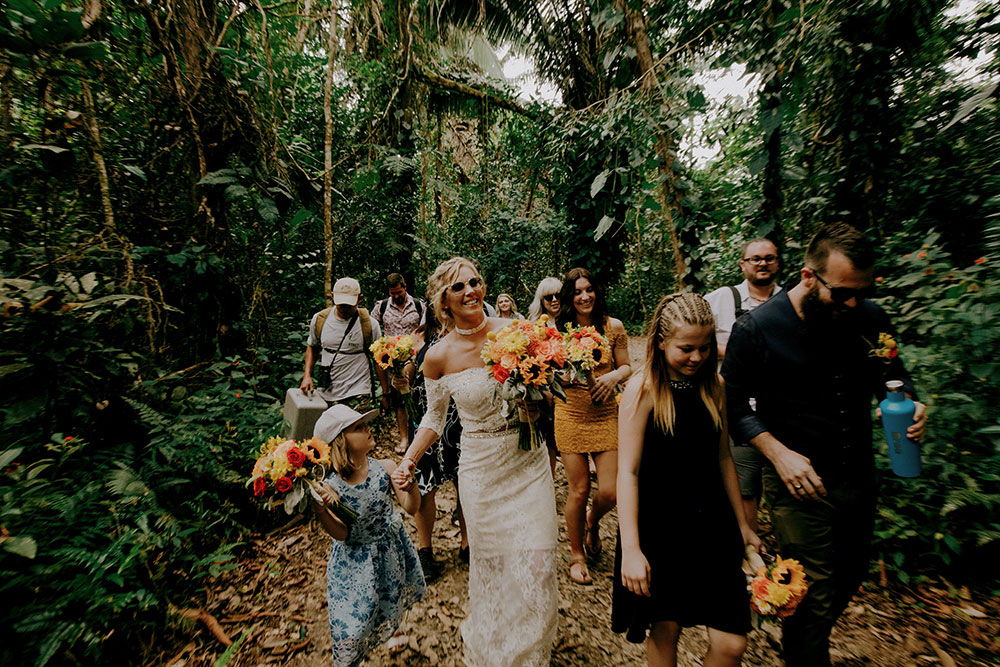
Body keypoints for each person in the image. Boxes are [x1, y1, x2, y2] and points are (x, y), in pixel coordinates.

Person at [722, 222, 927, 667]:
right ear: (808, 277)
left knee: (847, 580)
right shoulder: (756, 328)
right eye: (842, 292)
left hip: (858, 479)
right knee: (812, 597)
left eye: (862, 291)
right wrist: (778, 453)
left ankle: (796, 641)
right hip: (799, 488)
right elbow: (733, 405)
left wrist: (909, 403)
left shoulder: (869, 317)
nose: (853, 302)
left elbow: (893, 376)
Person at [392, 257, 558, 666]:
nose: (471, 291)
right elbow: (433, 416)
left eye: (476, 282)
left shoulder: (515, 332)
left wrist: (538, 400)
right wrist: (409, 460)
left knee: (537, 559)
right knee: (497, 564)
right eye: (459, 287)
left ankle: (532, 653)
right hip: (481, 467)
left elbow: (549, 385)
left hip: (527, 459)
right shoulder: (437, 356)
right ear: (443, 301)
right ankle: (497, 649)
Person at [613, 293, 759, 667]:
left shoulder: (716, 387)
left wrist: (742, 525)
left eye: (705, 348)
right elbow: (627, 472)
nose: (697, 357)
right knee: (667, 628)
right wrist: (631, 548)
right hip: (661, 525)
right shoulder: (642, 390)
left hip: (714, 522)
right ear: (662, 343)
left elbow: (724, 456)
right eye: (686, 348)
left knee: (731, 642)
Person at [310, 404, 426, 667]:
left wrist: (412, 485)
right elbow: (341, 533)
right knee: (353, 619)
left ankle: (393, 630)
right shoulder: (331, 487)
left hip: (389, 549)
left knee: (390, 598)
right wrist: (322, 510)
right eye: (358, 428)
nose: (367, 429)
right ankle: (350, 658)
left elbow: (411, 507)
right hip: (354, 562)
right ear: (341, 442)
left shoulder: (384, 467)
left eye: (365, 424)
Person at [554, 268, 631, 585]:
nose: (584, 296)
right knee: (580, 488)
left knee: (610, 491)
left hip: (606, 413)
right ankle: (576, 554)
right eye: (577, 292)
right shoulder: (557, 332)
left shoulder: (613, 327)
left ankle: (593, 520)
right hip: (570, 412)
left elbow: (626, 366)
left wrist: (612, 377)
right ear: (569, 297)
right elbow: (549, 375)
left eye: (589, 290)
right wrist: (572, 374)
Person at [705, 238, 782, 532]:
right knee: (744, 485)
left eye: (769, 258)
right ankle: (747, 552)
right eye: (756, 259)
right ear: (743, 264)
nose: (763, 263)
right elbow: (688, 324)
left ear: (777, 262)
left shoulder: (787, 301)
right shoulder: (724, 298)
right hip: (737, 407)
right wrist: (728, 349)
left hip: (779, 409)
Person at [393, 307, 470, 581]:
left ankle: (467, 543)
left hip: (461, 421)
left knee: (465, 482)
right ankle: (425, 550)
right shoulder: (421, 337)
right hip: (427, 419)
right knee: (425, 486)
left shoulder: (469, 334)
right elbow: (409, 373)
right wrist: (400, 373)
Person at [300, 277, 390, 414]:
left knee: (355, 433)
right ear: (333, 297)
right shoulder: (320, 320)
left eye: (349, 305)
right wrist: (307, 376)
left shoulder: (369, 325)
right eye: (340, 304)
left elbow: (379, 360)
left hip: (358, 390)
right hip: (327, 392)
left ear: (359, 299)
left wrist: (385, 393)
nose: (344, 308)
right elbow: (312, 346)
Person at [372, 273, 426, 455]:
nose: (396, 296)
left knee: (415, 396)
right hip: (392, 360)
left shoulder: (418, 305)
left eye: (398, 292)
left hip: (415, 357)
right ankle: (404, 437)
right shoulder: (382, 306)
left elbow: (427, 329)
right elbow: (373, 327)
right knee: (400, 399)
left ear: (404, 286)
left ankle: (420, 436)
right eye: (392, 293)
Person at [528, 276, 564, 476]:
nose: (553, 300)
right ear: (541, 300)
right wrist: (544, 390)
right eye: (548, 297)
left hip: (573, 393)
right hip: (547, 395)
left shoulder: (572, 323)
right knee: (549, 443)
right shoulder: (535, 327)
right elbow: (530, 364)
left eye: (558, 295)